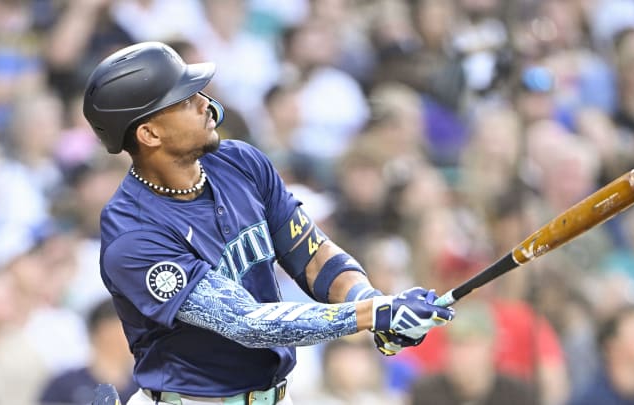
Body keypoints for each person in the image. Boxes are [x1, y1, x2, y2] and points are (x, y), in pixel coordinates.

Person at [82, 41, 454, 404]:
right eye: (186, 101)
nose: (206, 104)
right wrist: (375, 313)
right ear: (149, 134)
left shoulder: (240, 162)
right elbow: (248, 323)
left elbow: (311, 254)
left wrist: (367, 300)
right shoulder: (132, 233)